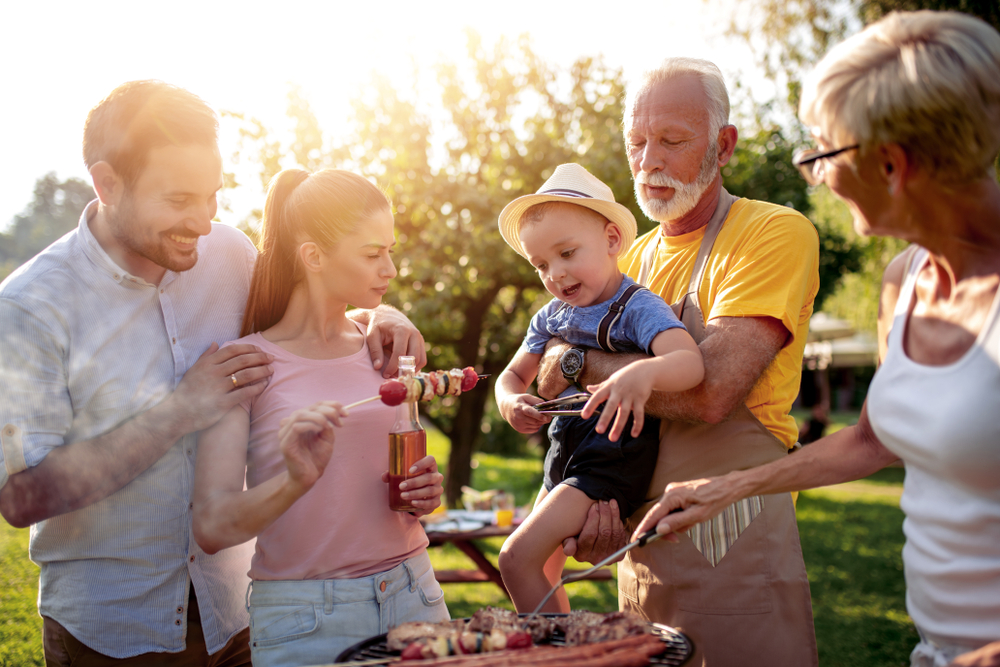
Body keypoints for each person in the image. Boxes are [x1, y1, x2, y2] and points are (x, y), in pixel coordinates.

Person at [0, 81, 423, 666]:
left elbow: (304, 321)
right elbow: (21, 498)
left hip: (236, 616)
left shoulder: (229, 254)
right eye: (178, 200)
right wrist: (180, 411)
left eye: (212, 196)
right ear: (107, 183)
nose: (202, 222)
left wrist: (381, 313)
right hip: (113, 632)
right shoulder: (29, 310)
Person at [635, 11, 1000, 667]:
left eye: (823, 151)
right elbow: (872, 438)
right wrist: (732, 487)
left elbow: (714, 390)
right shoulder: (905, 281)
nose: (814, 173)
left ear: (891, 165)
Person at [536, 59, 821, 665]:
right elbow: (540, 374)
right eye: (637, 143)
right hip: (638, 544)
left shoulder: (773, 232)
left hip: (733, 541)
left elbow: (712, 391)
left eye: (672, 140)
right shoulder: (623, 255)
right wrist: (591, 498)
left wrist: (578, 364)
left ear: (723, 146)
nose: (650, 162)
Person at [192, 168, 448, 667]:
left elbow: (393, 480)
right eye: (373, 254)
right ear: (313, 256)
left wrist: (424, 494)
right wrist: (294, 482)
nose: (391, 268)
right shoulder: (246, 363)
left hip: (414, 591)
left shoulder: (387, 348)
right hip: (304, 620)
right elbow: (212, 525)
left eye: (390, 250)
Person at [493, 163, 704, 614]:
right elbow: (511, 377)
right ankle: (567, 648)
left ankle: (554, 658)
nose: (556, 273)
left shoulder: (637, 307)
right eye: (542, 264)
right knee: (542, 569)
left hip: (611, 455)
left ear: (611, 240)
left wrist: (641, 373)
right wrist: (511, 401)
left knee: (516, 558)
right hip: (563, 450)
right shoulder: (549, 317)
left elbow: (690, 364)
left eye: (567, 253)